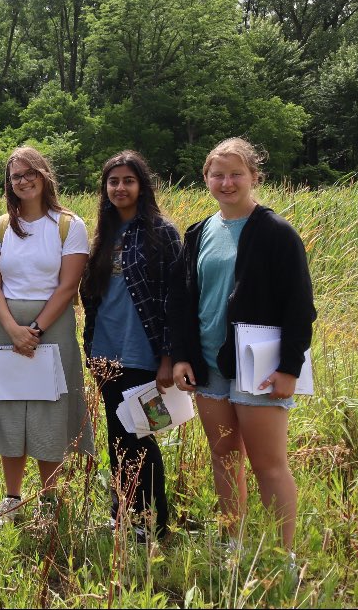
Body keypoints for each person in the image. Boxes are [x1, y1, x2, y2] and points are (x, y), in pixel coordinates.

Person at [168, 137, 315, 558]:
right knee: (224, 455)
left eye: (236, 174)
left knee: (268, 465)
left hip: (259, 368)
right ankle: (233, 543)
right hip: (209, 365)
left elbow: (300, 306)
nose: (227, 182)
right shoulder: (198, 232)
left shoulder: (277, 233)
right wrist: (181, 355)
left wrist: (289, 367)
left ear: (254, 176)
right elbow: (181, 301)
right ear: (206, 178)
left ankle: (279, 557)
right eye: (218, 174)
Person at [0, 146, 92, 525]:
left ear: (45, 176)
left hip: (53, 325)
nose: (24, 180)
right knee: (10, 411)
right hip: (5, 325)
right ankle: (11, 500)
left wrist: (37, 329)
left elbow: (67, 285)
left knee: (50, 411)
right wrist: (13, 329)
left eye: (31, 173)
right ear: (9, 184)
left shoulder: (68, 224)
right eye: (16, 176)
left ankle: (48, 502)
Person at [80, 151, 183, 541]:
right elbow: (95, 298)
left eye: (128, 180)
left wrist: (168, 358)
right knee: (118, 436)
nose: (120, 188)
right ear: (105, 189)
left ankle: (153, 523)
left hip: (145, 354)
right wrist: (90, 351)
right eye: (113, 182)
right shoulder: (103, 234)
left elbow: (176, 299)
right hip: (105, 353)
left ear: (142, 185)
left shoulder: (161, 232)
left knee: (142, 434)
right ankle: (123, 512)